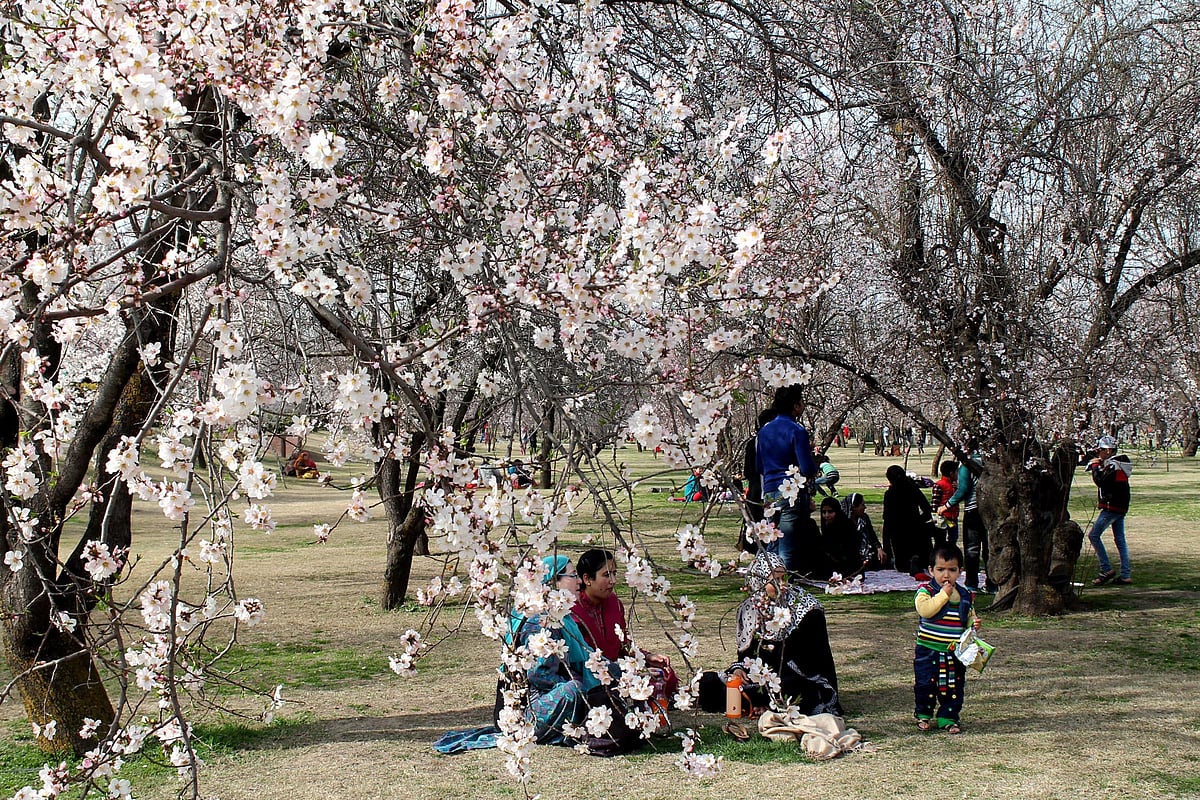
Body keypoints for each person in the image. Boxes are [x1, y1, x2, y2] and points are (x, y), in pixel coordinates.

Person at [723, 551, 842, 716]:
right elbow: (746, 655)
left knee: (792, 689)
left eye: (784, 578)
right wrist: (738, 670)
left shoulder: (807, 610)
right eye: (775, 580)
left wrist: (769, 675)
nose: (782, 585)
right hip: (761, 677)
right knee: (711, 682)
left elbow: (811, 663)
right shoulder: (750, 609)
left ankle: (759, 701)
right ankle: (757, 701)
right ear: (759, 582)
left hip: (797, 678)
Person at [501, 556, 595, 744]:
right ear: (552, 583)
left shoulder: (562, 618)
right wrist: (576, 680)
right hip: (535, 710)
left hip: (557, 694)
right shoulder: (540, 623)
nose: (578, 581)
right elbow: (539, 675)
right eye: (573, 575)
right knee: (574, 689)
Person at [570, 549, 679, 701]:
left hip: (619, 668)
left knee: (664, 673)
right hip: (590, 674)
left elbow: (622, 644)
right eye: (607, 575)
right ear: (587, 579)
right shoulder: (571, 610)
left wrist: (646, 657)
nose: (613, 580)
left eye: (614, 573)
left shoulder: (615, 604)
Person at [913, 543, 980, 734]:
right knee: (926, 683)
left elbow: (968, 616)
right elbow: (925, 610)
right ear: (931, 570)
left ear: (960, 571)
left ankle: (948, 717)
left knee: (953, 685)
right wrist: (943, 595)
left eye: (952, 570)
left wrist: (973, 623)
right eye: (940, 569)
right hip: (928, 648)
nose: (946, 575)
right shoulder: (926, 591)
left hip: (953, 650)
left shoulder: (965, 594)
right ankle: (923, 714)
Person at [756, 384, 819, 573]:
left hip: (769, 491)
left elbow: (760, 466)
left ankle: (766, 585)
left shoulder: (764, 431)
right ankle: (781, 591)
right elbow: (807, 468)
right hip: (790, 492)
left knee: (772, 542)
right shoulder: (796, 430)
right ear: (795, 406)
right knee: (787, 546)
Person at [1085, 435, 1133, 586]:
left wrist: (1094, 467)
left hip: (1112, 506)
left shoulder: (1114, 465)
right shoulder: (1117, 464)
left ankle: (1106, 568)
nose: (1098, 453)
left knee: (1093, 535)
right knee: (1120, 540)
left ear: (1109, 450)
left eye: (1101, 450)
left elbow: (1100, 481)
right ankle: (1125, 574)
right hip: (1120, 506)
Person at [937, 441, 986, 590]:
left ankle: (971, 583)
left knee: (972, 548)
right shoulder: (990, 462)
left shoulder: (967, 465)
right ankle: (993, 583)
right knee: (989, 548)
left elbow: (963, 489)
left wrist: (946, 506)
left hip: (973, 509)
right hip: (990, 510)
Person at [882, 465, 935, 576]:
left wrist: (886, 541)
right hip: (915, 527)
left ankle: (910, 563)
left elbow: (887, 518)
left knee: (902, 566)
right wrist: (921, 521)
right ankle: (916, 561)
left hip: (898, 530)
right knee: (919, 557)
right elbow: (926, 508)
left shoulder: (890, 494)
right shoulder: (913, 488)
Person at [738, 409, 778, 554]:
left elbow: (747, 472)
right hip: (767, 489)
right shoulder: (774, 443)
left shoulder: (751, 444)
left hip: (755, 491)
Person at [818, 497, 862, 578]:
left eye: (830, 512)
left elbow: (850, 550)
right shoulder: (827, 526)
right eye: (824, 512)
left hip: (849, 565)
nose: (827, 515)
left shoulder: (846, 525)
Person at [842, 492, 886, 571]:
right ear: (854, 507)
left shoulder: (864, 518)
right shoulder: (843, 522)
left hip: (867, 554)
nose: (864, 507)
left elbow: (872, 535)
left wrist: (879, 548)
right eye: (862, 505)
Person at [931, 460, 959, 546]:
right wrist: (935, 517)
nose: (958, 474)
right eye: (956, 472)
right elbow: (934, 503)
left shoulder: (954, 485)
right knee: (940, 539)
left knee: (953, 538)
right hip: (941, 518)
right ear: (951, 473)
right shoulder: (939, 484)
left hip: (953, 517)